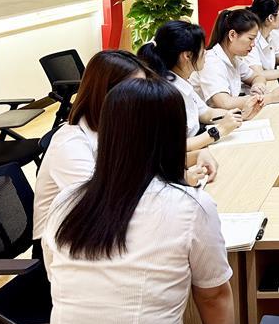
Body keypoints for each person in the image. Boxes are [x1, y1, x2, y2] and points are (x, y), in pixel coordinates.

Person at [43, 77, 235, 324]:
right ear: (173, 137)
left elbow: (56, 276)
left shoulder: (65, 201)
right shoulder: (192, 207)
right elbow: (213, 296)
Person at [34, 50, 218, 247]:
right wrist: (176, 182)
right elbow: (101, 206)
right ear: (107, 94)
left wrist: (198, 155)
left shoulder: (119, 124)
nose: (142, 95)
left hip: (112, 232)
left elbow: (146, 162)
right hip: (70, 245)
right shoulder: (71, 144)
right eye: (135, 88)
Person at [138, 21, 253, 152]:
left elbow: (206, 113)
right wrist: (219, 130)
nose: (206, 52)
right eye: (202, 49)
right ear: (187, 55)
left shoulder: (181, 80)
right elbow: (174, 146)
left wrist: (240, 115)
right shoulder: (165, 92)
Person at [191, 8, 279, 110]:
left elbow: (257, 76)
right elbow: (225, 103)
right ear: (232, 35)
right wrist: (269, 98)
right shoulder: (211, 62)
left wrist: (258, 86)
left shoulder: (234, 59)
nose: (253, 44)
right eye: (250, 38)